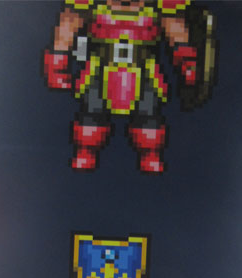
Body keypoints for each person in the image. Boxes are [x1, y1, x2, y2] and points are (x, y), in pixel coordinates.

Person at [43, 0, 217, 172]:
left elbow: (175, 28)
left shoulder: (158, 7)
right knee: (92, 111)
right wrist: (57, 60)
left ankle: (151, 154)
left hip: (143, 69)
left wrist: (187, 61)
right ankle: (85, 151)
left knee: (147, 113)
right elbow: (69, 23)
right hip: (100, 67)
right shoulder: (91, 5)